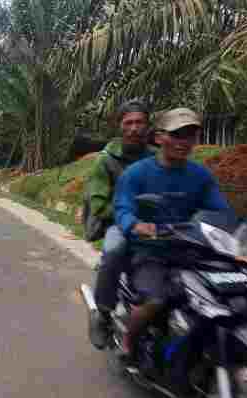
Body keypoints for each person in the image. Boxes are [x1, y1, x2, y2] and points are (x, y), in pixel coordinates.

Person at [113, 107, 233, 361]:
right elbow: (123, 207)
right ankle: (128, 340)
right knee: (155, 300)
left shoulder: (200, 176)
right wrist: (135, 224)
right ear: (159, 138)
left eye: (190, 135)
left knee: (224, 298)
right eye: (177, 135)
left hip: (190, 250)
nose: (184, 142)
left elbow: (221, 211)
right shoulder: (136, 173)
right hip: (150, 251)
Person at [85, 99, 156, 349]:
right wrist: (130, 217)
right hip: (117, 223)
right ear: (120, 127)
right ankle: (102, 315)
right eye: (129, 123)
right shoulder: (106, 161)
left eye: (140, 122)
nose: (135, 128)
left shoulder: (157, 158)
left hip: (154, 225)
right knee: (114, 251)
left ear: (148, 126)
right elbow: (99, 207)